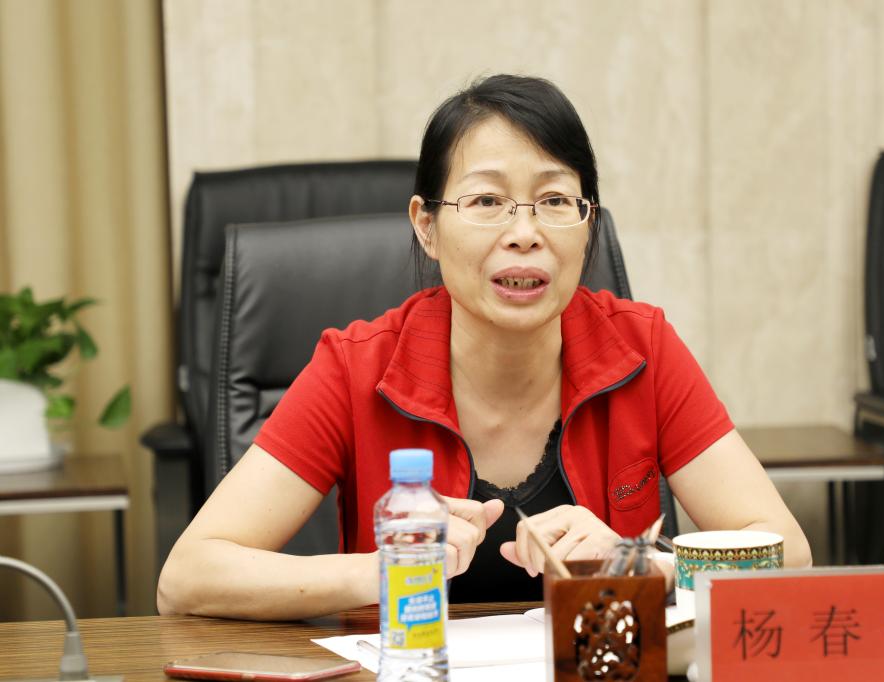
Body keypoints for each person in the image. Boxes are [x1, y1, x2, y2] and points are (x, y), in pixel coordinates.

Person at [157, 74, 811, 620]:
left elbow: (786, 550)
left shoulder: (643, 349)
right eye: (487, 200)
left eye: (554, 199)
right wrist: (389, 569)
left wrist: (641, 563)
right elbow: (187, 577)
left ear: (588, 223)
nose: (524, 232)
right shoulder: (356, 367)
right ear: (427, 226)